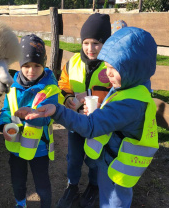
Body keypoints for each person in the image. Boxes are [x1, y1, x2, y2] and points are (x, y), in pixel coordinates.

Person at [15, 27, 159, 208]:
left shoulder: (130, 103)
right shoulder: (133, 86)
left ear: (133, 67)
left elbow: (91, 126)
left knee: (113, 202)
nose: (108, 74)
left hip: (119, 168)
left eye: (113, 69)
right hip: (113, 157)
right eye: (107, 67)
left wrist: (57, 111)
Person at [0, 34, 60, 208]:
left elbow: (48, 117)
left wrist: (33, 115)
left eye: (36, 65)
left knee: (42, 184)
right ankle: (20, 203)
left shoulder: (50, 88)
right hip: (16, 145)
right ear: (20, 64)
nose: (31, 70)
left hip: (39, 147)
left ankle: (45, 205)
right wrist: (4, 125)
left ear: (44, 64)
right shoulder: (11, 86)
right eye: (26, 65)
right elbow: (5, 110)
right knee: (18, 180)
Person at [57, 13, 111, 208]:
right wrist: (69, 98)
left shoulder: (111, 66)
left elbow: (117, 94)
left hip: (99, 125)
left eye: (96, 43)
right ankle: (72, 186)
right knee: (74, 156)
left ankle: (94, 186)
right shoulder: (72, 63)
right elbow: (63, 85)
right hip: (76, 122)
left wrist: (101, 106)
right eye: (86, 43)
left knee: (95, 158)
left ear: (105, 42)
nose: (90, 48)